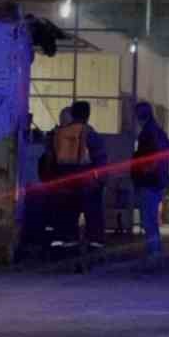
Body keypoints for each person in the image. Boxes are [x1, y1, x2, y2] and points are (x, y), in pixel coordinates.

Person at [50, 101, 108, 249]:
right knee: (93, 215)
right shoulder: (90, 134)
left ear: (72, 114)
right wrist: (101, 181)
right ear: (88, 115)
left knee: (68, 217)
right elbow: (100, 159)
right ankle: (94, 244)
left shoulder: (60, 133)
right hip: (86, 182)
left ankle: (68, 245)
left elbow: (51, 159)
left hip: (65, 181)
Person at [131, 101, 169, 258]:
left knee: (148, 219)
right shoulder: (158, 131)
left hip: (150, 181)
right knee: (152, 218)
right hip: (158, 181)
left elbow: (148, 157)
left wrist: (144, 170)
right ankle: (155, 249)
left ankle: (153, 251)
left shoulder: (147, 133)